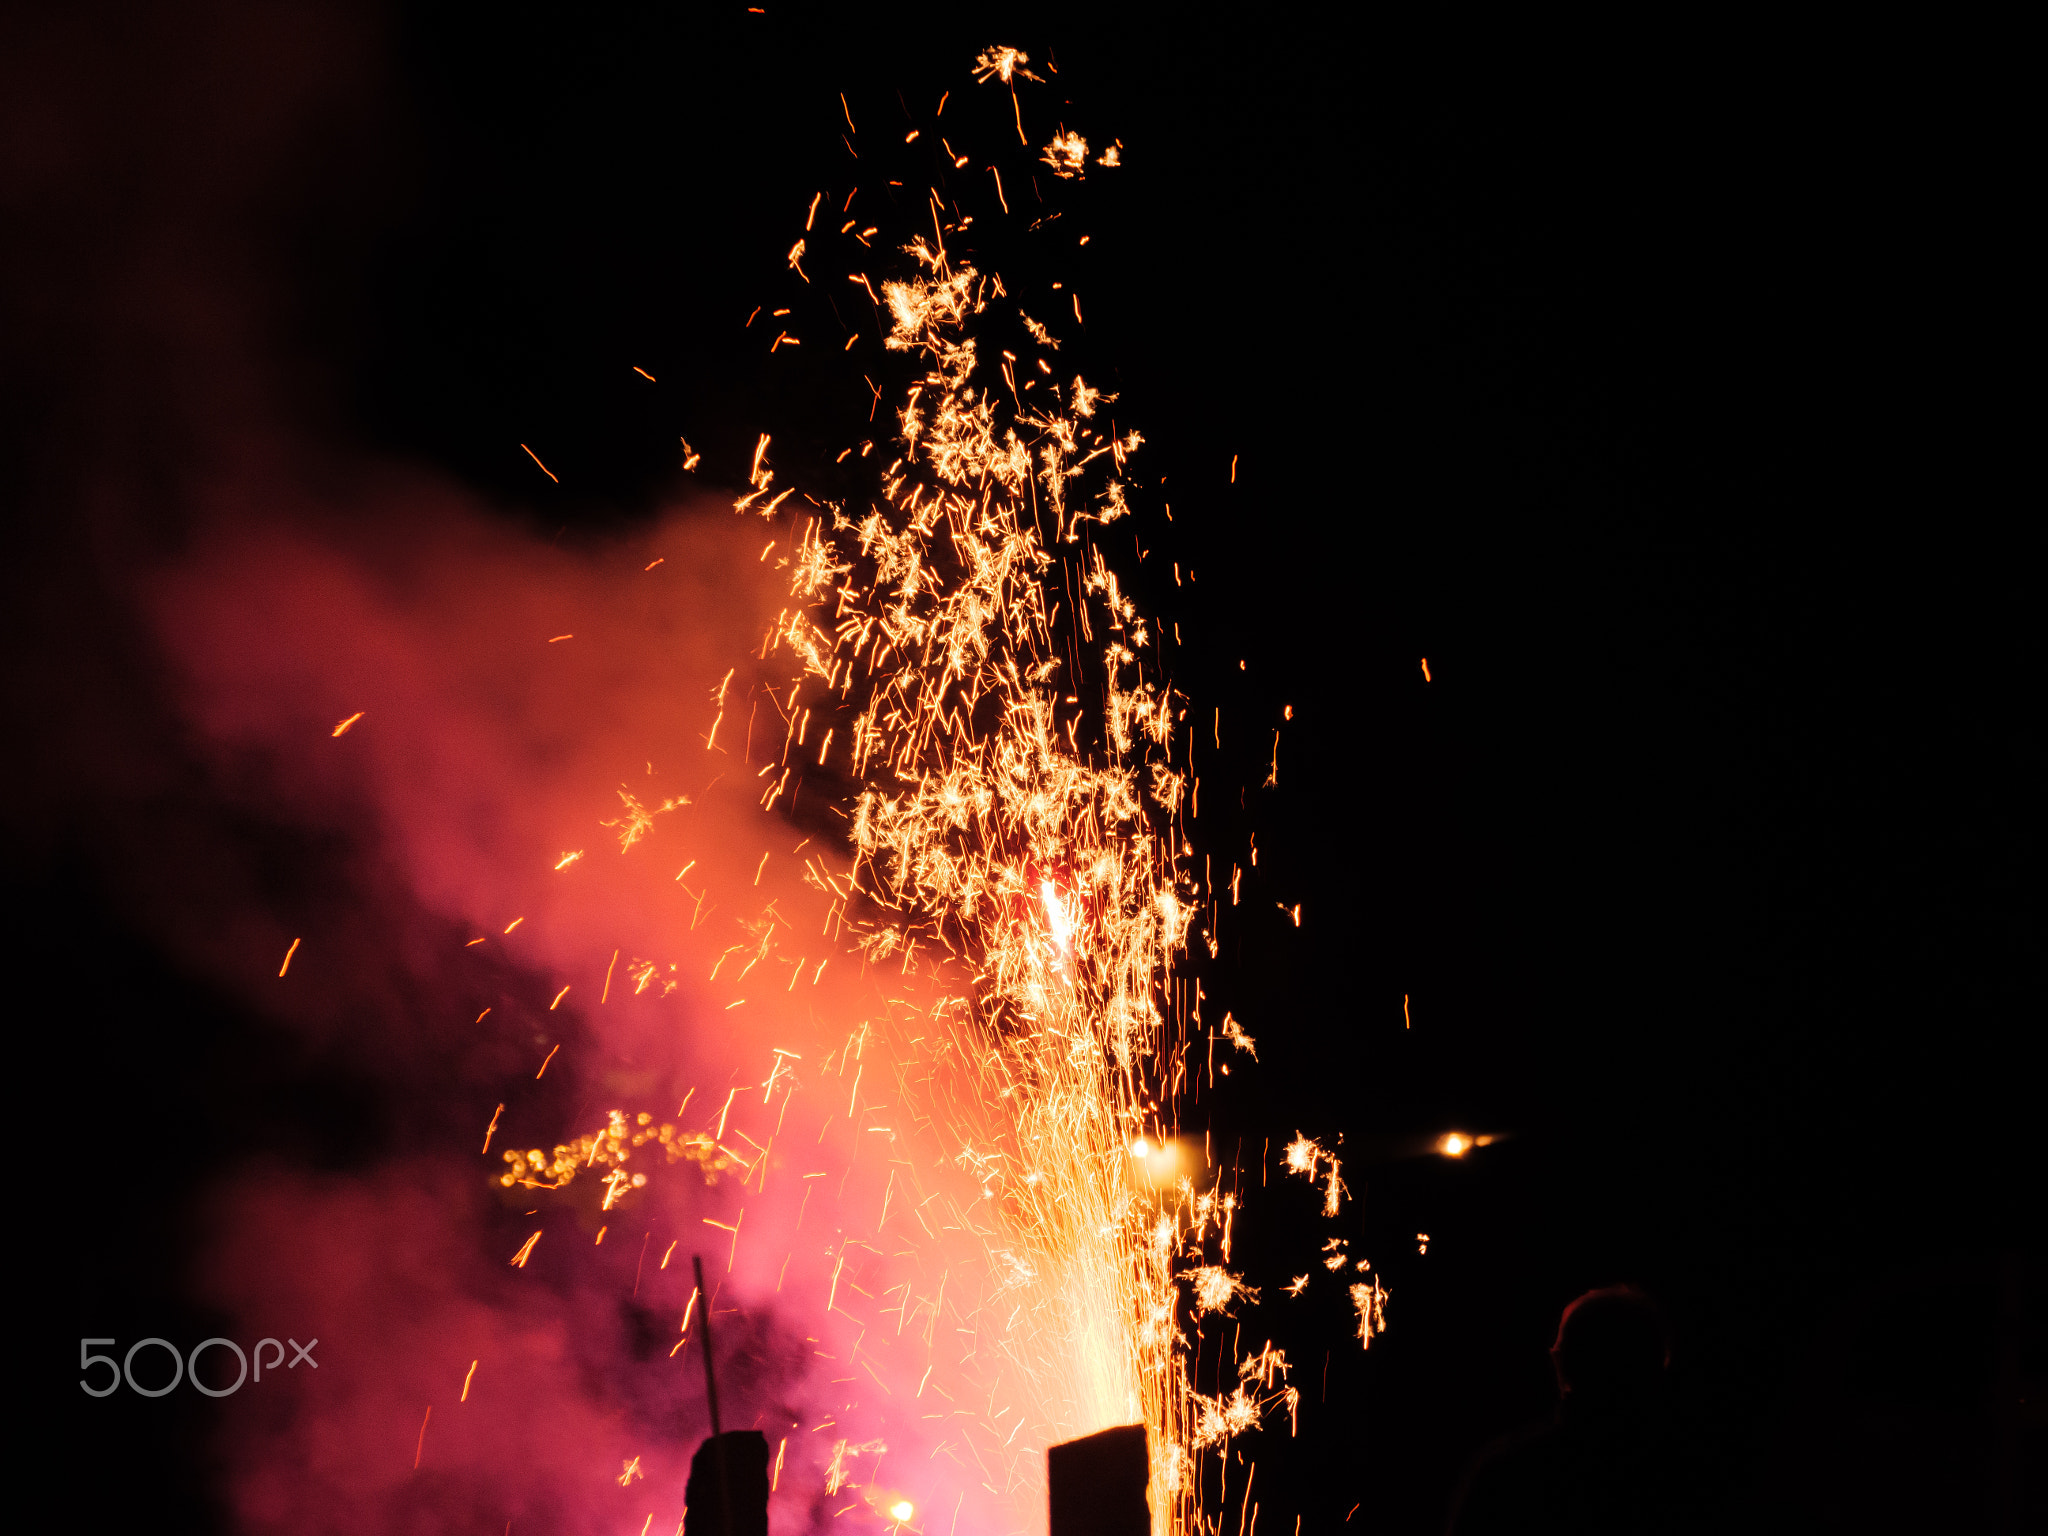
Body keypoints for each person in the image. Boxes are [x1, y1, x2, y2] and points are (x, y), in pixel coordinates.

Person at [1447, 1284, 1714, 1534]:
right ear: (1658, 1363)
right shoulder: (1693, 1475)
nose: (1554, 1354)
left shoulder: (1509, 1474)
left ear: (1566, 1362)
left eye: (1560, 1349)